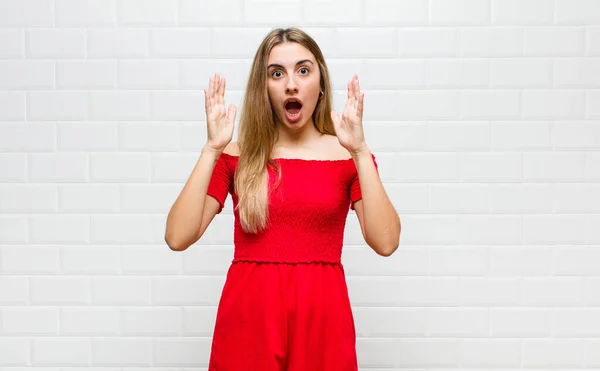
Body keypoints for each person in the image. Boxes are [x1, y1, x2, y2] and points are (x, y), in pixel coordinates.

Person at [165, 27, 400, 371]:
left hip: (323, 318)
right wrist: (212, 149)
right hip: (249, 315)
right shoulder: (237, 155)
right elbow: (177, 236)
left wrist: (362, 151)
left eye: (303, 70)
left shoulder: (348, 155)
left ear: (320, 83)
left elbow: (386, 241)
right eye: (277, 73)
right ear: (265, 88)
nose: (291, 83)